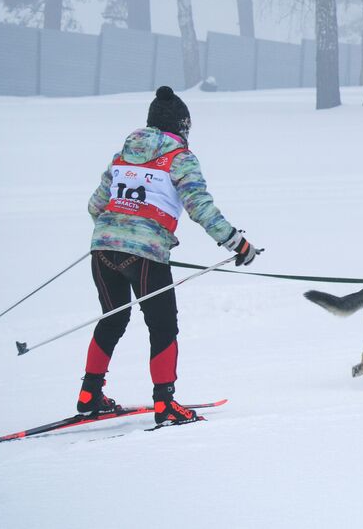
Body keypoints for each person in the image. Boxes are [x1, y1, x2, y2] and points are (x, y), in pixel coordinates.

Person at [77, 86, 259, 426]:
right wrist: (238, 244)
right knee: (162, 327)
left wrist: (115, 233)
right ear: (182, 126)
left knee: (112, 319)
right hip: (147, 256)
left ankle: (89, 395)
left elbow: (94, 205)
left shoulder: (123, 154)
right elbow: (199, 207)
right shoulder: (180, 158)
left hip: (102, 250)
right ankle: (165, 404)